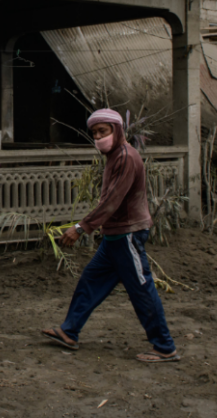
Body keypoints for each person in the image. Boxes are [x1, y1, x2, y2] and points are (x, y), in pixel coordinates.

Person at [41, 108, 180, 363]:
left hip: (128, 234)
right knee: (91, 281)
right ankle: (69, 331)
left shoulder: (126, 157)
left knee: (142, 289)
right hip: (115, 236)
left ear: (116, 131)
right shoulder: (115, 156)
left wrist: (81, 228)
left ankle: (164, 346)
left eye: (102, 131)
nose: (98, 137)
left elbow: (112, 201)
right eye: (94, 133)